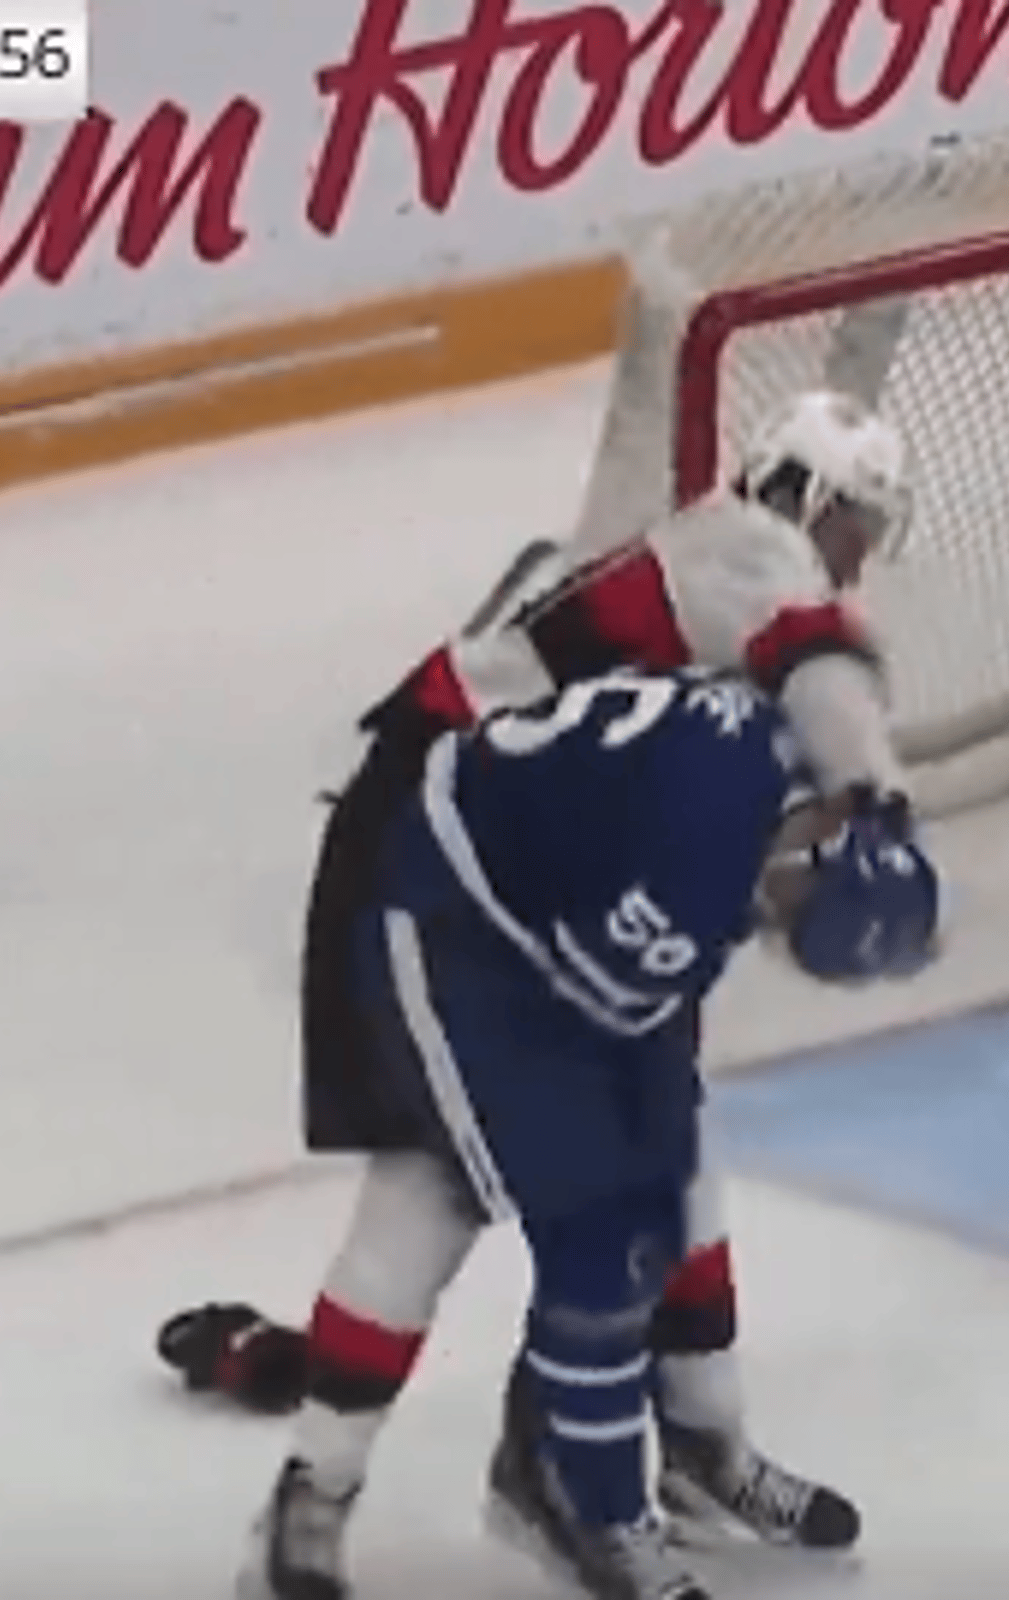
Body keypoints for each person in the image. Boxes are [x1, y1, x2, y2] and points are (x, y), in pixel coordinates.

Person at [157, 389, 916, 1554]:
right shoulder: (749, 553)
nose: (856, 555)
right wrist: (878, 801)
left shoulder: (726, 571)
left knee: (670, 1156)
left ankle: (684, 1448)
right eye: (853, 523)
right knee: (434, 1187)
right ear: (803, 497)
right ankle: (314, 1504)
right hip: (427, 864)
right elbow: (814, 658)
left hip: (546, 868)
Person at [238, 665, 939, 1600]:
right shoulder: (707, 863)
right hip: (450, 916)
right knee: (487, 1210)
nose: (776, 924)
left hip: (557, 895)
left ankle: (689, 1452)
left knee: (671, 1174)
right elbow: (587, 1008)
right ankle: (352, 1492)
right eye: (790, 913)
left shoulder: (795, 783)